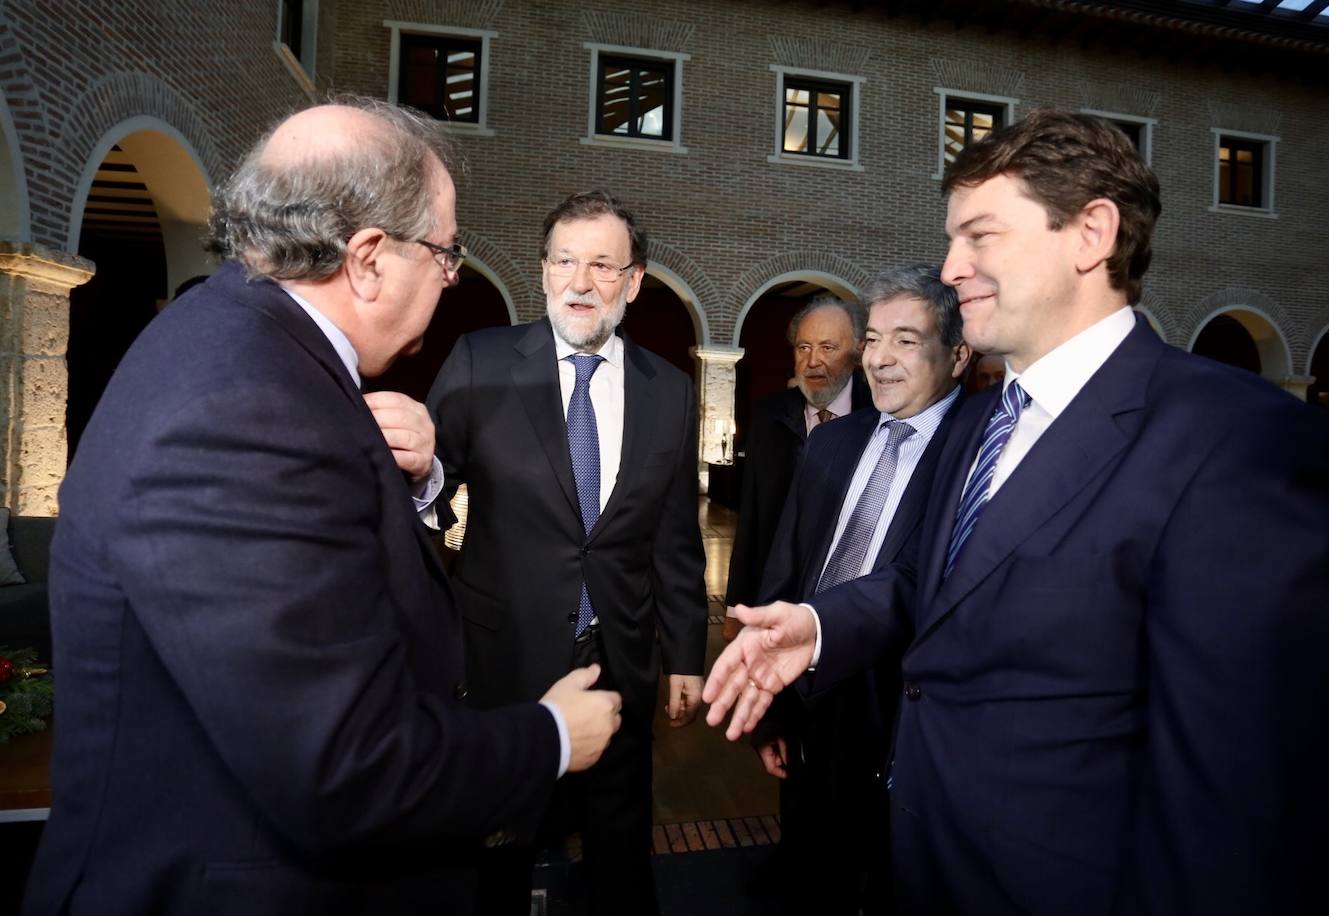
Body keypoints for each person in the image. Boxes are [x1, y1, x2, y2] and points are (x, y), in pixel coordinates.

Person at [704, 110, 1329, 915]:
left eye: (980, 237)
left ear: (1090, 233)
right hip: (927, 867)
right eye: (952, 241)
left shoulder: (1241, 443)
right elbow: (937, 585)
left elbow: (1252, 807)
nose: (952, 269)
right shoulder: (980, 423)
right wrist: (821, 627)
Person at [22, 99, 622, 916]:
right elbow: (346, 768)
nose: (450, 278)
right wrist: (550, 737)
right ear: (370, 257)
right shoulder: (243, 402)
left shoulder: (241, 343)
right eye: (446, 253)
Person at [426, 189, 706, 916]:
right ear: (544, 270)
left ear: (634, 282)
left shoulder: (670, 391)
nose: (581, 283)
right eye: (565, 262)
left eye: (603, 266)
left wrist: (684, 655)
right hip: (500, 658)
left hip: (621, 660)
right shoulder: (481, 361)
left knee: (620, 845)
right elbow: (429, 494)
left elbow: (674, 538)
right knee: (501, 846)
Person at [751, 265, 968, 916]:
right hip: (814, 714)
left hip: (906, 731)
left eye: (905, 340)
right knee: (809, 878)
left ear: (957, 355)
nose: (879, 358)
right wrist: (773, 708)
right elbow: (786, 577)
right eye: (872, 339)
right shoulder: (834, 443)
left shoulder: (978, 453)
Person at [723, 297, 870, 641]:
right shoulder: (769, 416)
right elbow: (752, 520)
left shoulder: (879, 416)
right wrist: (735, 607)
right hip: (776, 602)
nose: (813, 361)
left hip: (848, 606)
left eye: (828, 347)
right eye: (803, 347)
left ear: (858, 352)